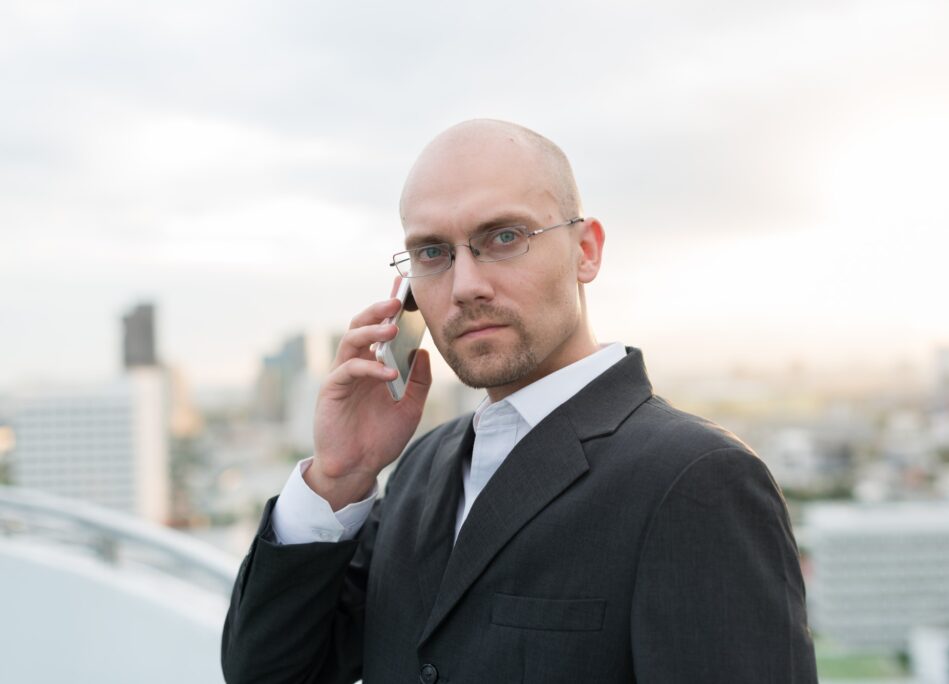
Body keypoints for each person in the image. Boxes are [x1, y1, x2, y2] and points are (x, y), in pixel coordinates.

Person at [221, 120, 818, 683]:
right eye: (433, 252)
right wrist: (339, 476)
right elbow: (271, 674)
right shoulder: (421, 467)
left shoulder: (697, 479)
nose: (465, 285)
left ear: (586, 250)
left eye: (503, 237)